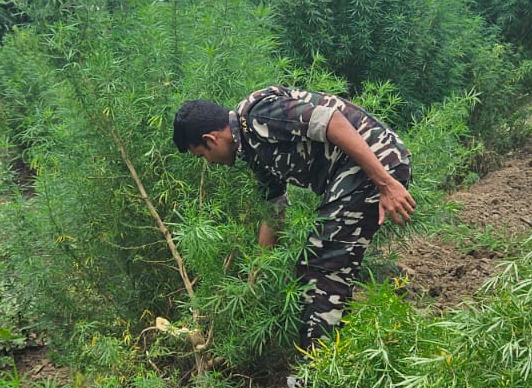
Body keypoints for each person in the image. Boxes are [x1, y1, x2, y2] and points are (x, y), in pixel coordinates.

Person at [173, 86, 415, 349]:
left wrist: (385, 183)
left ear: (211, 139)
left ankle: (314, 378)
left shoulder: (258, 116)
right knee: (321, 264)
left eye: (203, 155)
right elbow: (274, 209)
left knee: (322, 267)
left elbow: (331, 121)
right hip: (356, 172)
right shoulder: (251, 148)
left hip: (373, 162)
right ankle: (331, 361)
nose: (209, 162)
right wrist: (257, 273)